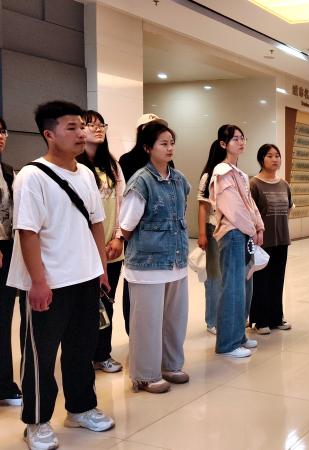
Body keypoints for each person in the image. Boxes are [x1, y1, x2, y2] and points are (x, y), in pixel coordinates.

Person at [8, 101, 115, 450]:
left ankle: (81, 408)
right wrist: (38, 283)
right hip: (49, 282)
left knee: (81, 349)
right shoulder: (32, 176)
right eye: (72, 127)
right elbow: (28, 232)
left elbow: (96, 224)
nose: (82, 133)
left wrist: (100, 269)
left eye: (82, 126)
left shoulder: (85, 174)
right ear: (49, 134)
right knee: (40, 354)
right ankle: (36, 422)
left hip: (85, 278)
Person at [120, 121, 191, 394]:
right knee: (147, 323)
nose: (169, 148)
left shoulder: (179, 179)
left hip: (176, 261)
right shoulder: (141, 181)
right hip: (147, 264)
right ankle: (145, 375)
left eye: (172, 143)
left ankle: (170, 365)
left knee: (175, 320)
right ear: (148, 148)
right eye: (163, 143)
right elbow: (127, 225)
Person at [77, 110, 124, 374]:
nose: (98, 129)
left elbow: (122, 203)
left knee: (107, 302)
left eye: (101, 125)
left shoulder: (112, 164)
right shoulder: (75, 166)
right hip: (85, 250)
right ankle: (82, 355)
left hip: (112, 248)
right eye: (90, 125)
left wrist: (118, 237)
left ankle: (102, 354)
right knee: (85, 306)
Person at [210, 124, 264, 358]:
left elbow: (250, 204)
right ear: (223, 144)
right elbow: (233, 208)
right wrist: (252, 229)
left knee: (244, 288)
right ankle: (227, 343)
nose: (241, 142)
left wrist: (259, 226)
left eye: (242, 138)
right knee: (232, 289)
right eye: (235, 139)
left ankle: (239, 336)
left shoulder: (239, 172)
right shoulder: (222, 171)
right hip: (232, 233)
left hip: (244, 233)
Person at [117, 113, 171, 334]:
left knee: (161, 290)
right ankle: (134, 332)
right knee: (136, 284)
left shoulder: (168, 162)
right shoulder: (127, 161)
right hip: (138, 235)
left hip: (163, 237)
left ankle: (156, 332)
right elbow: (127, 202)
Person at [249, 144, 293, 334]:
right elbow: (250, 213)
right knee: (261, 281)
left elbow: (289, 208)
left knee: (277, 279)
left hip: (281, 240)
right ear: (261, 159)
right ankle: (260, 320)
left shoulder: (284, 184)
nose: (275, 159)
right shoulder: (254, 184)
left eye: (277, 155)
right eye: (270, 156)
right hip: (262, 241)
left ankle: (276, 318)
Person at [0, 117, 22, 407]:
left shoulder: (8, 171)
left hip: (8, 249)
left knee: (3, 318)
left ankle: (4, 383)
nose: (1, 136)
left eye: (2, 131)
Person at [198, 142, 226, 335]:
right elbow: (203, 206)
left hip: (230, 229)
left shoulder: (232, 174)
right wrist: (202, 234)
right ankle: (212, 320)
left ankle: (225, 316)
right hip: (213, 228)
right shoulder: (208, 176)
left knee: (227, 274)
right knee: (214, 276)